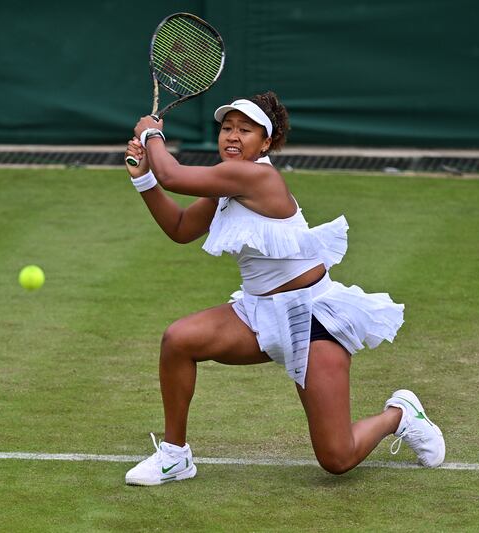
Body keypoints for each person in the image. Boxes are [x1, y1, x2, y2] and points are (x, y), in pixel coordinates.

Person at [122, 92, 445, 486]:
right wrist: (145, 181)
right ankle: (175, 456)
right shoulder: (227, 182)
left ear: (267, 143)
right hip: (257, 315)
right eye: (227, 128)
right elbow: (179, 229)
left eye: (245, 130)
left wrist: (152, 135)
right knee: (178, 340)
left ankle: (400, 415)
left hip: (311, 321)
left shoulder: (257, 176)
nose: (233, 137)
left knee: (337, 458)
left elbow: (174, 175)